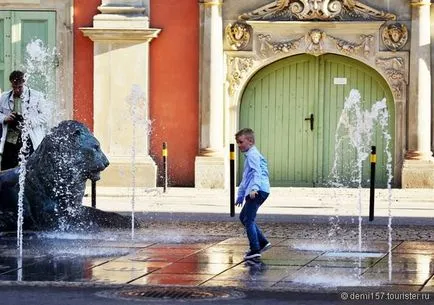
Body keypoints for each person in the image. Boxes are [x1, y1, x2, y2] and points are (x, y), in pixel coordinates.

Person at [0, 70, 49, 170]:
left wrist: (30, 122)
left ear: (24, 83)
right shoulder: (4, 97)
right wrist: (5, 118)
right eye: (14, 87)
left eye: (20, 87)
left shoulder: (37, 96)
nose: (17, 90)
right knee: (7, 165)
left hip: (29, 136)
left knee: (30, 166)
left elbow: (46, 115)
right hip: (11, 136)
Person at [235, 128, 271, 259]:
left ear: (250, 141)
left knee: (248, 220)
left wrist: (254, 188)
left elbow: (257, 172)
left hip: (257, 191)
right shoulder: (250, 155)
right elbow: (246, 178)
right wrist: (240, 195)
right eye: (237, 142)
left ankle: (255, 249)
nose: (239, 145)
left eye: (240, 142)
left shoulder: (252, 155)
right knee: (243, 217)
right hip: (258, 190)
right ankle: (263, 242)